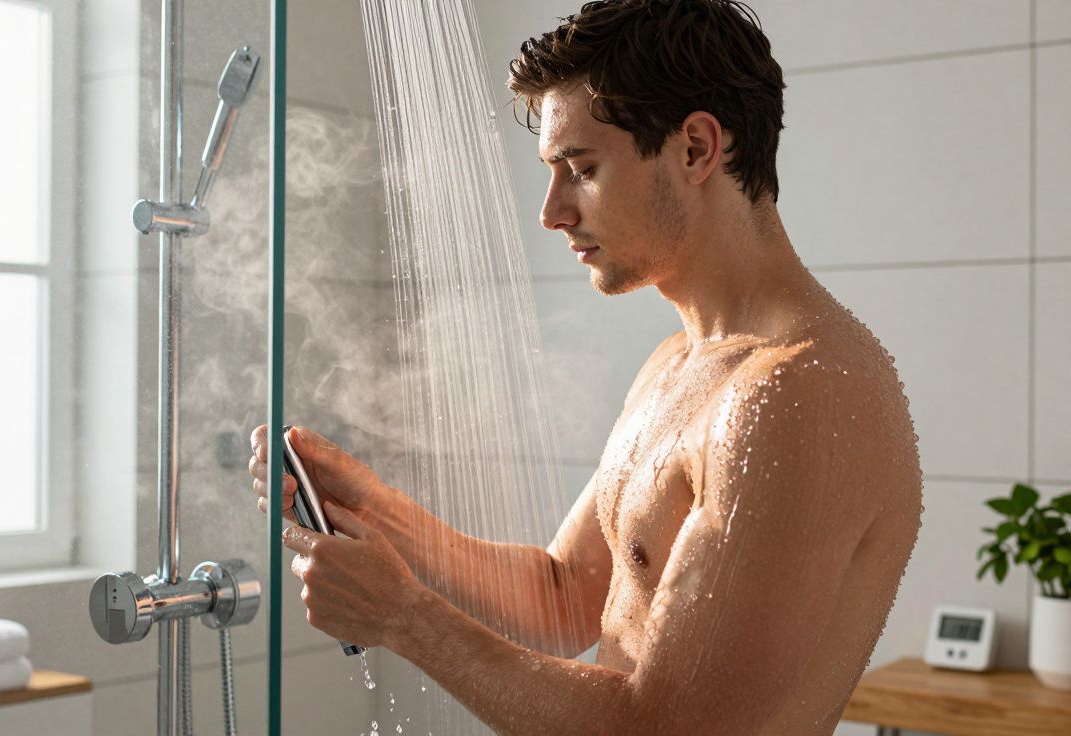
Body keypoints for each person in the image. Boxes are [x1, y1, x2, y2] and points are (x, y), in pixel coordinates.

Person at [248, 1, 922, 733]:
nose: (552, 211)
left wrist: (406, 619)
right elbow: (564, 595)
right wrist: (375, 510)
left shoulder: (801, 394)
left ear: (696, 148)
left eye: (581, 168)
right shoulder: (682, 363)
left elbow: (666, 729)